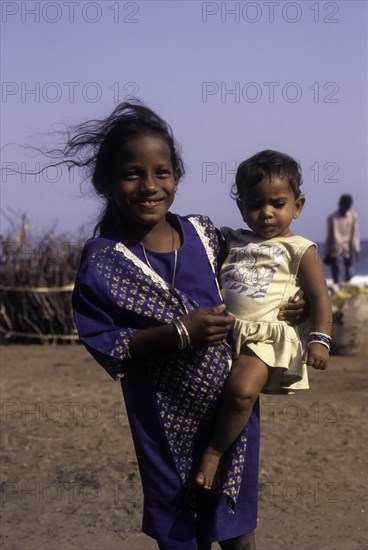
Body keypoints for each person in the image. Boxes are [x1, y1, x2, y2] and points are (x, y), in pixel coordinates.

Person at [68, 102, 305, 550]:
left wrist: (294, 302)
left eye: (162, 172)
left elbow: (257, 278)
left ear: (177, 176)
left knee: (237, 531)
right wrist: (179, 333)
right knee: (179, 532)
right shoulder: (103, 259)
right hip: (160, 420)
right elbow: (104, 341)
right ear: (107, 182)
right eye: (132, 173)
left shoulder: (204, 234)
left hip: (229, 412)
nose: (149, 186)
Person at [196, 150, 332, 491]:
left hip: (265, 338)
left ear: (297, 206)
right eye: (255, 203)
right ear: (242, 206)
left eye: (278, 204)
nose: (266, 213)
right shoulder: (232, 239)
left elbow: (320, 298)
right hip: (225, 333)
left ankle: (213, 452)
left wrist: (319, 338)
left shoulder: (301, 249)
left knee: (242, 392)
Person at [325, 194, 361, 284]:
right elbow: (330, 236)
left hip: (349, 249)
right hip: (336, 250)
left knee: (349, 274)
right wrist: (327, 252)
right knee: (338, 275)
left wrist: (357, 249)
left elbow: (355, 234)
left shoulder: (353, 216)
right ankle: (338, 293)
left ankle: (344, 294)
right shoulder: (333, 218)